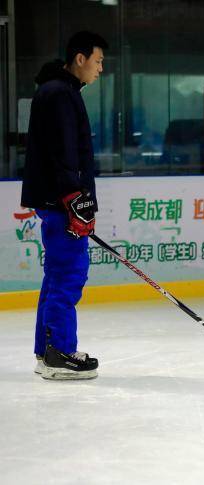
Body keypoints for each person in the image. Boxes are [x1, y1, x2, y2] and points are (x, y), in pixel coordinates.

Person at [21, 31, 108, 379]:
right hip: (62, 203)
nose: (101, 69)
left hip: (58, 201)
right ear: (80, 59)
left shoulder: (60, 91)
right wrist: (76, 201)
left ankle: (49, 351)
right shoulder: (59, 95)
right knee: (69, 274)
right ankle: (60, 351)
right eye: (98, 61)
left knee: (57, 274)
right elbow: (63, 154)